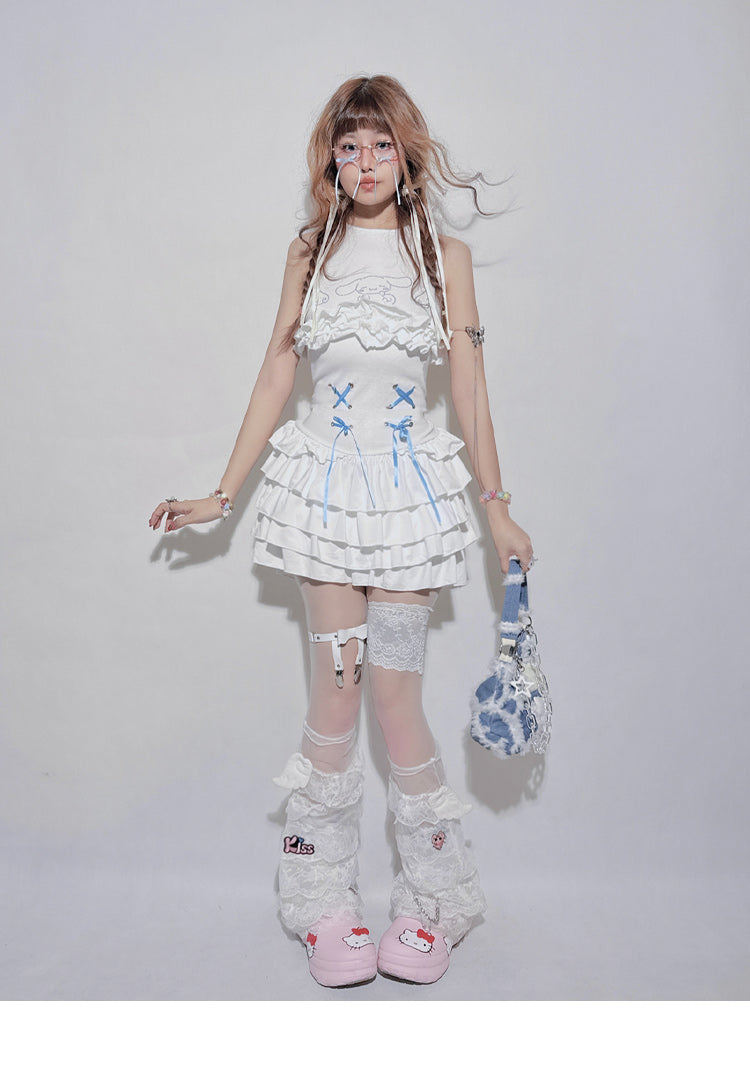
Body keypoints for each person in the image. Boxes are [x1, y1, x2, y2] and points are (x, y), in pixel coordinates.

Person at [149, 75, 533, 988]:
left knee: (396, 698)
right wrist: (222, 494)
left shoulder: (445, 258)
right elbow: (276, 374)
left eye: (381, 145)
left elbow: (471, 391)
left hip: (409, 501)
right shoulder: (308, 252)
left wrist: (496, 506)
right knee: (335, 696)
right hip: (322, 497)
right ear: (331, 158)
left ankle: (436, 902)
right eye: (349, 146)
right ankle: (321, 902)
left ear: (407, 155)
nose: (365, 163)